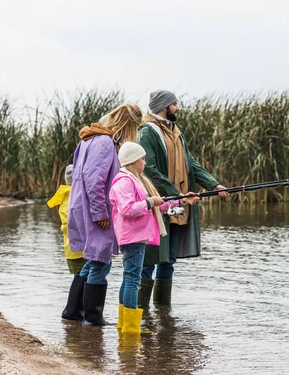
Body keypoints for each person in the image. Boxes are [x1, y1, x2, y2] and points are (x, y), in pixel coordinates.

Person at [137, 90, 229, 308]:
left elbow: (192, 163)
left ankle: (163, 313)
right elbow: (148, 168)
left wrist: (213, 184)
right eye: (174, 104)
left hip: (180, 205)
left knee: (168, 260)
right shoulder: (147, 132)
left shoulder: (176, 131)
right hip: (158, 205)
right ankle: (140, 314)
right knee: (149, 260)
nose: (177, 107)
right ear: (164, 106)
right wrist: (175, 194)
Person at [109, 142, 199, 334]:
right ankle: (132, 327)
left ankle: (125, 324)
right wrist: (150, 202)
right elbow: (127, 209)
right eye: (142, 158)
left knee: (129, 278)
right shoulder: (124, 181)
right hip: (132, 237)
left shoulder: (139, 179)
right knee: (133, 280)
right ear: (133, 160)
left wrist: (182, 199)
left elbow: (161, 205)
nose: (145, 162)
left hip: (137, 236)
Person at [67, 103, 143, 326]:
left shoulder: (89, 139)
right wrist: (100, 212)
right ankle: (93, 316)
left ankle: (73, 311)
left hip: (82, 205)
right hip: (93, 207)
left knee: (92, 259)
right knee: (101, 259)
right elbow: (94, 179)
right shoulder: (105, 142)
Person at [47, 164, 87, 320]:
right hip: (76, 246)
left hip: (75, 245)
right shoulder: (70, 196)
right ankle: (70, 310)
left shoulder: (71, 195)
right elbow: (70, 222)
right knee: (81, 275)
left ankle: (77, 310)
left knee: (83, 275)